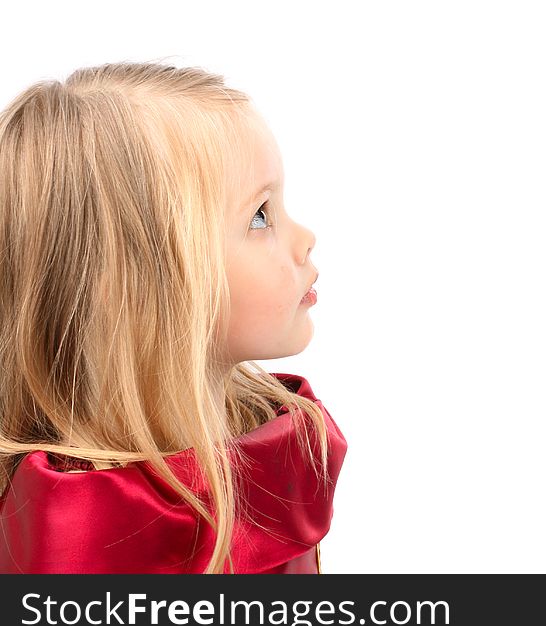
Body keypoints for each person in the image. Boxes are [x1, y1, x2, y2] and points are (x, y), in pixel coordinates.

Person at [0, 60, 347, 573]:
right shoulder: (82, 530)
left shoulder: (278, 442)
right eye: (259, 216)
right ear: (141, 290)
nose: (304, 238)